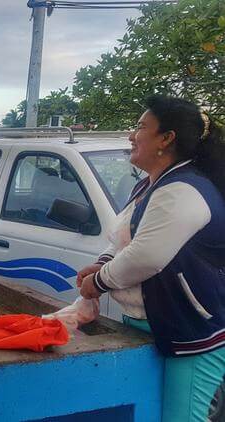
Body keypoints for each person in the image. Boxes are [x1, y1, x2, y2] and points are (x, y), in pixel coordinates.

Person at [77, 95, 225, 421]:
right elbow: (124, 236)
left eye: (141, 127)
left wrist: (97, 283)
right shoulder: (153, 184)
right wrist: (102, 263)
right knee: (145, 413)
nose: (132, 135)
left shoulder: (183, 189)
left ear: (166, 138)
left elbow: (146, 256)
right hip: (152, 325)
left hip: (190, 331)